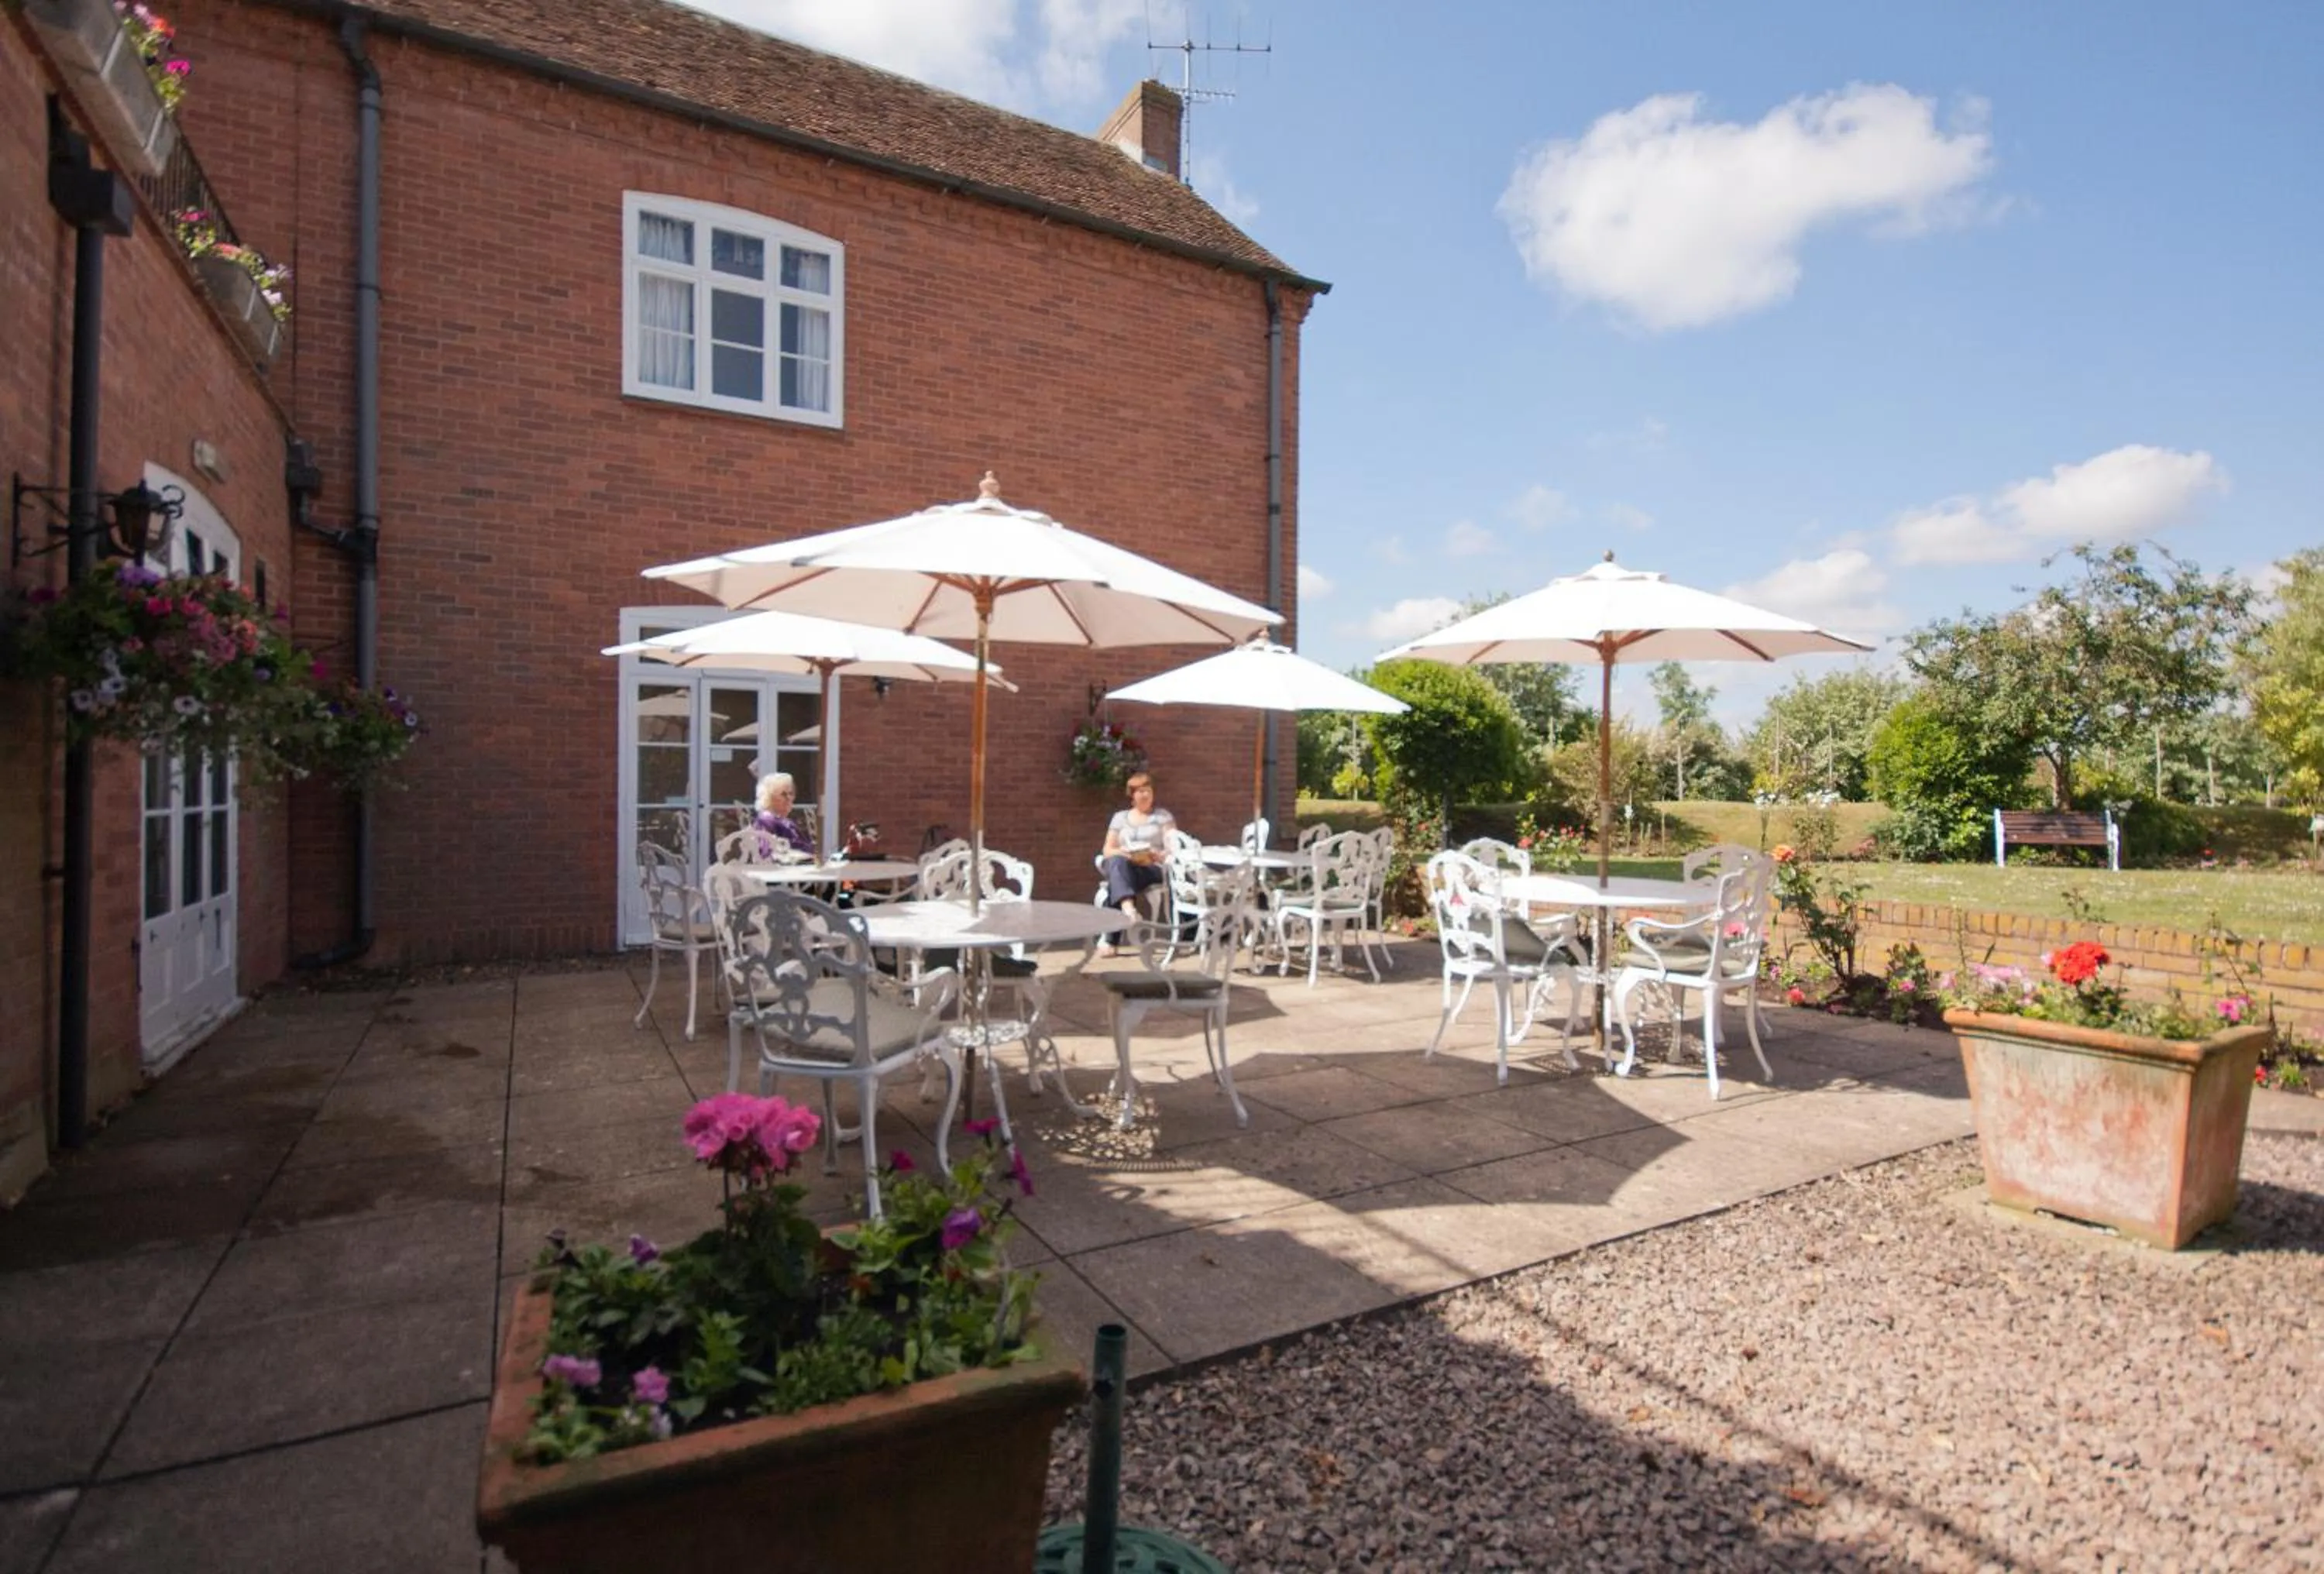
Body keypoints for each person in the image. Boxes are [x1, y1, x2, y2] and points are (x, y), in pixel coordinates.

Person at [1099, 772, 1174, 918]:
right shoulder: (1120, 818)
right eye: (1141, 792)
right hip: (1126, 865)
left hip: (1152, 868)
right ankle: (1128, 909)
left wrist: (1159, 855)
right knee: (1118, 862)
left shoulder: (1163, 817)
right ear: (1132, 796)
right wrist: (1126, 854)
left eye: (1149, 791)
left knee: (1117, 879)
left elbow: (1173, 848)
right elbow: (1108, 850)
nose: (1146, 795)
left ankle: (1120, 921)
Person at [753, 772, 815, 857]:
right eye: (783, 794)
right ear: (769, 798)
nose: (789, 798)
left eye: (791, 794)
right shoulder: (766, 820)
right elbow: (766, 854)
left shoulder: (784, 821)